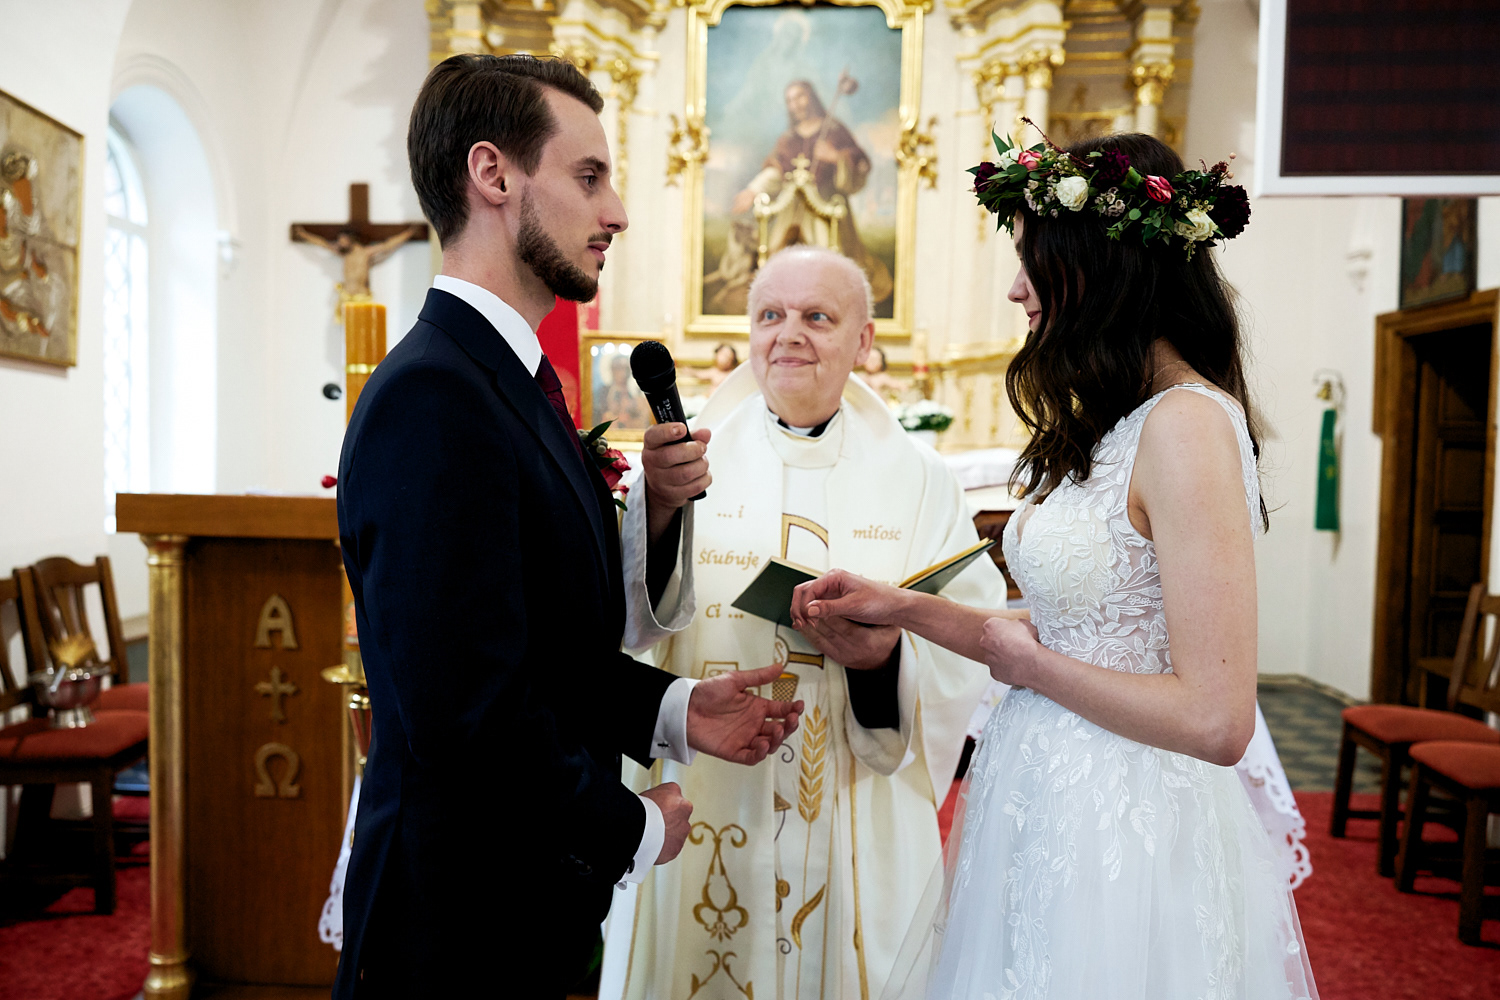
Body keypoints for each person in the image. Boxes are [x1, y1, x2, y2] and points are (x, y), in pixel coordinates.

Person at [792, 133, 1319, 998]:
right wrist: (900, 607)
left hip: (1124, 817)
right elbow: (1080, 627)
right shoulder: (1117, 422)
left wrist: (1031, 667)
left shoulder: (1187, 425)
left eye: (1031, 262)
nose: (1014, 289)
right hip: (1043, 789)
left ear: (1100, 265)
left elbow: (1217, 720)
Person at [333, 54, 802, 999]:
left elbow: (540, 651)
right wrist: (630, 826)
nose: (616, 211)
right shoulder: (434, 397)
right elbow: (467, 715)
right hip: (455, 923)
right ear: (493, 175)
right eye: (589, 178)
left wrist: (673, 709)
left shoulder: (505, 385)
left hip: (515, 907)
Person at [599, 245, 1009, 1000]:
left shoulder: (920, 481)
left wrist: (880, 663)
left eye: (817, 317)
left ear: (864, 341)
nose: (788, 334)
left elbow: (964, 645)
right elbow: (627, 626)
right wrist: (656, 512)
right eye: (770, 316)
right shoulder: (687, 461)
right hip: (711, 790)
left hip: (855, 803)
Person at [731, 79, 893, 309]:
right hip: (792, 207)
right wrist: (753, 189)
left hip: (825, 209)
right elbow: (776, 170)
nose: (795, 104)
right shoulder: (788, 139)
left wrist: (835, 157)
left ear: (811, 97)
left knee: (826, 264)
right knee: (777, 259)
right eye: (790, 100)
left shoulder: (833, 130)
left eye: (800, 97)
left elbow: (860, 163)